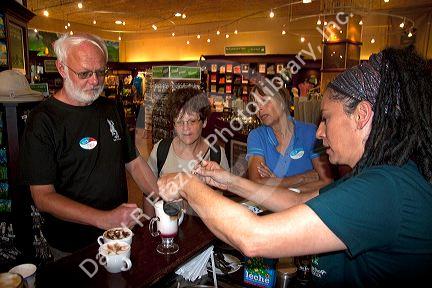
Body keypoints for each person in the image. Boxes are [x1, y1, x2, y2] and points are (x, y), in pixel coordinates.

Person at [158, 47, 432, 286]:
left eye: (326, 119)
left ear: (361, 116)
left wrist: (188, 185)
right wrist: (229, 181)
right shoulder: (378, 176)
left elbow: (253, 237)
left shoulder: (383, 190)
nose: (320, 132)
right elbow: (293, 201)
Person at [19, 33, 158, 257]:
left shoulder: (111, 108)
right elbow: (42, 196)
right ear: (62, 68)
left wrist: (162, 196)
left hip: (118, 236)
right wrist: (103, 218)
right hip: (72, 245)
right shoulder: (43, 120)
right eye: (84, 73)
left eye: (101, 72)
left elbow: (133, 162)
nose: (95, 81)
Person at [247, 81, 333, 192]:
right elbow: (256, 184)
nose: (259, 109)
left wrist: (277, 183)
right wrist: (303, 178)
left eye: (264, 101)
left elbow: (327, 182)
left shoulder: (310, 132)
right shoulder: (256, 136)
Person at [147, 87, 229, 178]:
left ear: (204, 121)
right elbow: (150, 190)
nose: (185, 128)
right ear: (174, 124)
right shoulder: (160, 151)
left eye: (192, 121)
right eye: (179, 121)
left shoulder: (217, 155)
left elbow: (222, 190)